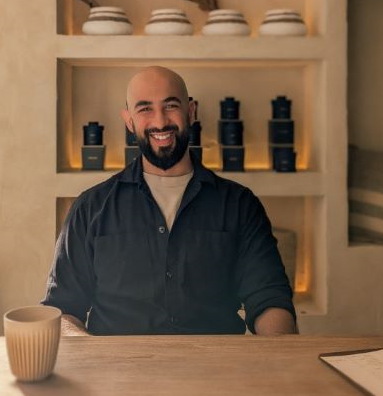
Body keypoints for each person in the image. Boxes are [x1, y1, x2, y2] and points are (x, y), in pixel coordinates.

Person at [41, 66, 297, 335]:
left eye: (170, 105)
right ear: (129, 120)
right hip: (116, 373)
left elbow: (270, 299)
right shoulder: (89, 208)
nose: (160, 121)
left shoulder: (240, 205)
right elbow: (63, 310)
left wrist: (282, 360)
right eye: (145, 109)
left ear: (191, 111)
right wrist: (92, 358)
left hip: (216, 372)